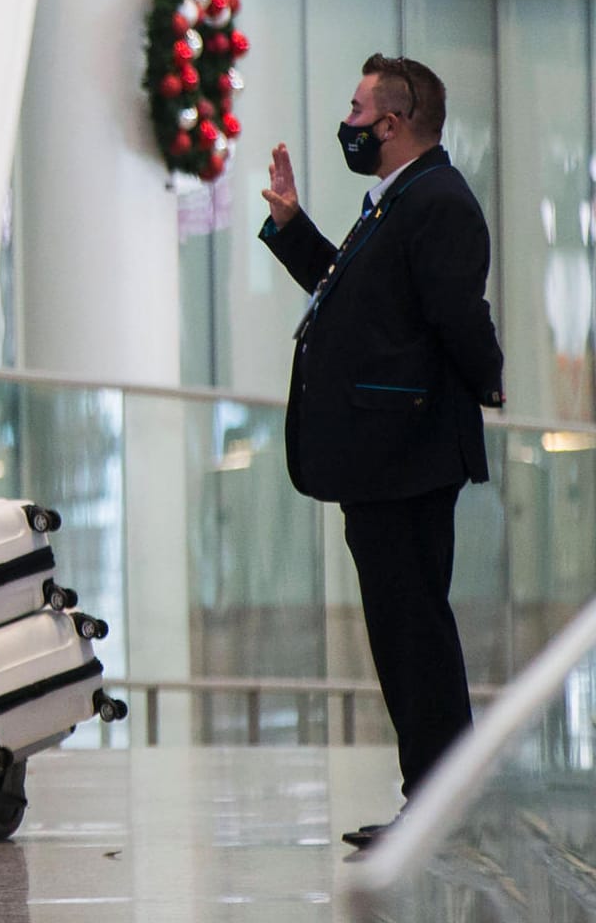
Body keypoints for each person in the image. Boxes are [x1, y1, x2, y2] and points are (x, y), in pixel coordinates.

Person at [258, 54, 505, 851]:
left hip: (408, 460)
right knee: (402, 636)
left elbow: (454, 317)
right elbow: (354, 294)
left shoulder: (437, 201)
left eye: (358, 108)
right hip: (381, 463)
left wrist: (490, 382)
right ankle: (428, 804)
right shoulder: (397, 200)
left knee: (416, 637)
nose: (350, 121)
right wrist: (293, 226)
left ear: (393, 124)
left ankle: (441, 810)